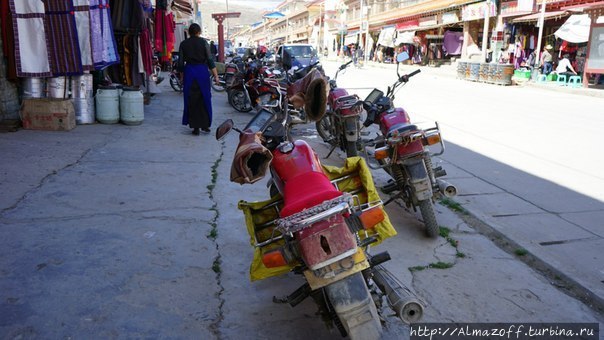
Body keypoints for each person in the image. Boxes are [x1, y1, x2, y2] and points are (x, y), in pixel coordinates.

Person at [177, 23, 220, 135]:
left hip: (189, 72)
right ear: (199, 32)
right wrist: (216, 76)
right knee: (204, 97)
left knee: (191, 98)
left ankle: (195, 127)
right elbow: (210, 60)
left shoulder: (183, 44)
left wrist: (182, 77)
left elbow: (180, 63)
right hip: (202, 72)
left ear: (189, 32)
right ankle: (205, 125)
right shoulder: (204, 43)